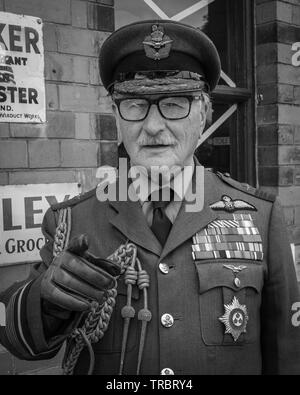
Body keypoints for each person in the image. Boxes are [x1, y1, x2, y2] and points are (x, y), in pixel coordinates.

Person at [0, 19, 299, 376]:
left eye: (174, 104)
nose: (154, 126)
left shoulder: (260, 217)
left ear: (204, 114)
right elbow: (22, 343)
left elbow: (287, 355)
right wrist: (44, 304)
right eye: (135, 105)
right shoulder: (71, 221)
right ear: (116, 116)